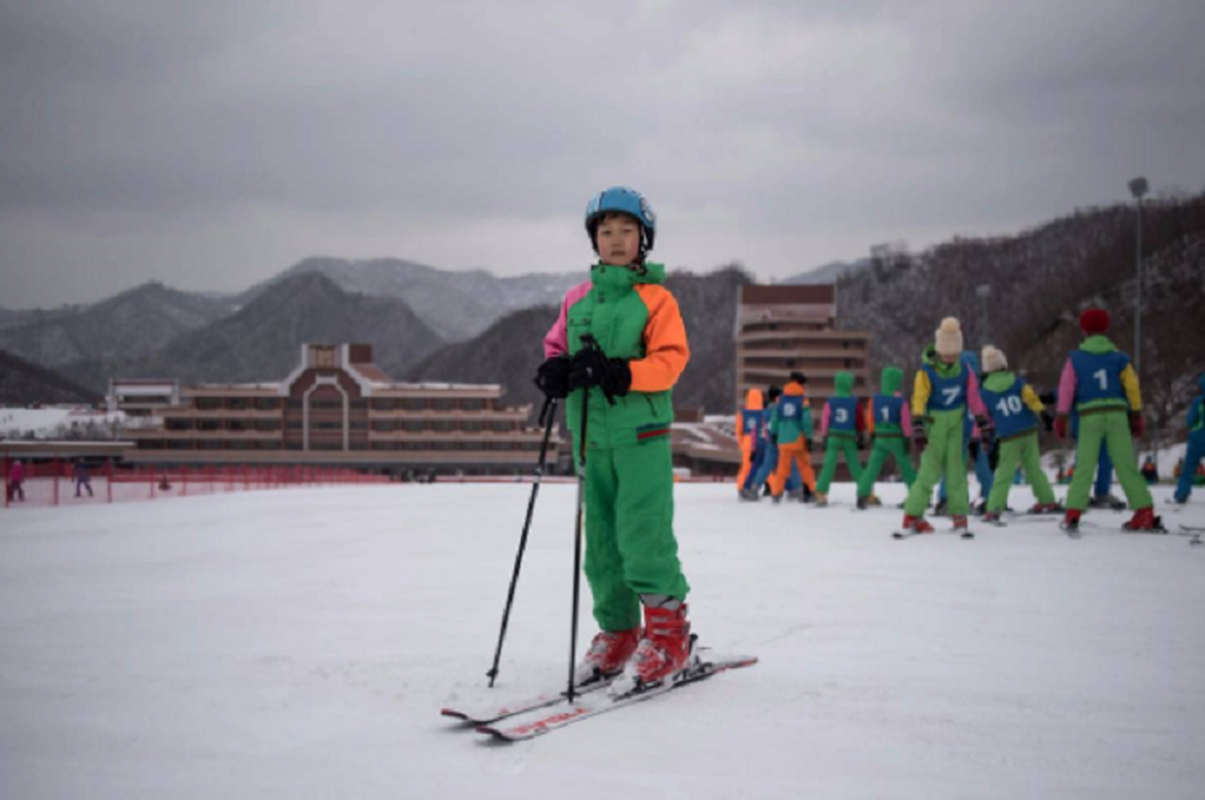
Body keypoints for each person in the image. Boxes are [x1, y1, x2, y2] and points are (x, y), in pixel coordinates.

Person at [534, 186, 692, 696]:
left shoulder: (656, 299)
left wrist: (623, 373)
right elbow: (557, 345)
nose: (616, 239)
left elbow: (671, 359)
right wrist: (555, 370)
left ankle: (668, 636)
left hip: (640, 435)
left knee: (643, 533)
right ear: (594, 240)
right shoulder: (576, 299)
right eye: (606, 231)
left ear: (643, 239)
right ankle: (620, 632)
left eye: (627, 231)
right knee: (601, 542)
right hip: (589, 439)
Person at [1055, 308, 1159, 533]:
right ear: (1106, 328)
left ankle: (1073, 513)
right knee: (1125, 464)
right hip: (1117, 415)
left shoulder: (1076, 359)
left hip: (1089, 415)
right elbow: (1132, 386)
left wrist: (1062, 416)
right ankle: (1144, 511)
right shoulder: (1120, 358)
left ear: (1084, 330)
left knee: (1084, 466)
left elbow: (1066, 388)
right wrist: (1136, 413)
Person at [899, 318, 992, 535]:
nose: (950, 357)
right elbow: (919, 398)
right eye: (947, 352)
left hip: (955, 426)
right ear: (939, 349)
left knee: (957, 472)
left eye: (955, 352)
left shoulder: (964, 370)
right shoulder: (927, 372)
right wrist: (918, 425)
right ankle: (912, 515)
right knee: (929, 473)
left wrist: (982, 421)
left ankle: (959, 515)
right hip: (934, 427)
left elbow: (973, 397)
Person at [976, 346, 1060, 523]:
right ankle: (1047, 500)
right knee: (1033, 469)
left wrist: (984, 437)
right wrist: (1044, 414)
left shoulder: (984, 392)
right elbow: (1031, 399)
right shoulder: (1017, 382)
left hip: (1008, 436)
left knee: (1004, 473)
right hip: (1028, 430)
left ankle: (994, 507)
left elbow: (985, 418)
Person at [934, 351, 994, 515]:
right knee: (983, 468)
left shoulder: (957, 384)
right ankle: (993, 499)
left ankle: (948, 499)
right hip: (979, 433)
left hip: (959, 433)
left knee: (954, 469)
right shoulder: (983, 387)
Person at [856, 366, 916, 509]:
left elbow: (870, 418)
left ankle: (862, 494)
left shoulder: (875, 399)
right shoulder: (900, 401)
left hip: (881, 438)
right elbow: (905, 421)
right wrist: (907, 437)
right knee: (906, 467)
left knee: (871, 468)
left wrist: (872, 433)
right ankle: (916, 495)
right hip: (896, 438)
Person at [812, 371, 865, 506]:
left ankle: (820, 493)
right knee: (855, 466)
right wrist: (860, 433)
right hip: (849, 437)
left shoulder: (831, 401)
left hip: (834, 436)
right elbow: (859, 419)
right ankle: (865, 492)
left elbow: (825, 419)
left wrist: (824, 435)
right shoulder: (854, 401)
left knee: (828, 466)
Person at [769, 372, 818, 503]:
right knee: (805, 467)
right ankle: (812, 491)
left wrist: (774, 434)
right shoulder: (803, 401)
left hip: (783, 440)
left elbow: (775, 419)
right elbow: (806, 422)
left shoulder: (780, 400)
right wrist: (809, 438)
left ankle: (776, 493)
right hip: (798, 440)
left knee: (782, 468)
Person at [748, 386, 803, 501]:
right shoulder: (782, 410)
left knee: (766, 467)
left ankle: (754, 488)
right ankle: (796, 490)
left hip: (770, 443)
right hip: (784, 442)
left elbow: (757, 429)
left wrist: (756, 445)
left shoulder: (764, 413)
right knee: (791, 466)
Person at [1172, 371, 1205, 505]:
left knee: (1188, 468)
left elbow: (1190, 421)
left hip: (1197, 438)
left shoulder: (1198, 401)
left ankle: (1182, 493)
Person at [736, 389, 767, 500]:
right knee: (759, 467)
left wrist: (741, 443)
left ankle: (741, 488)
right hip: (759, 441)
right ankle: (754, 488)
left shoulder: (742, 414)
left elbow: (739, 430)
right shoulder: (763, 413)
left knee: (745, 468)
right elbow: (765, 429)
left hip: (747, 441)